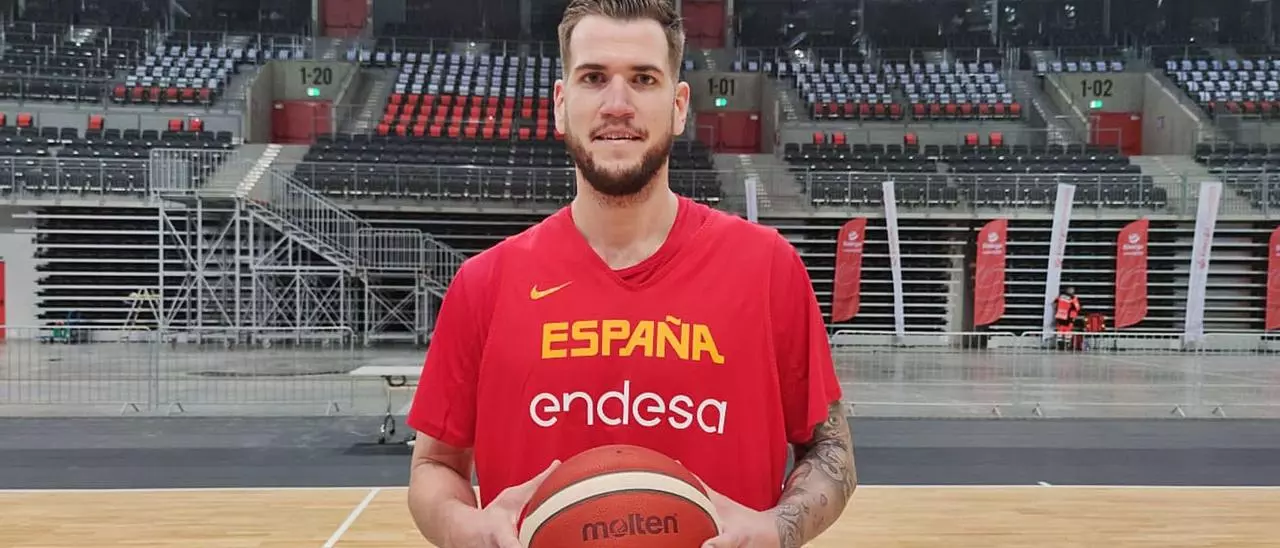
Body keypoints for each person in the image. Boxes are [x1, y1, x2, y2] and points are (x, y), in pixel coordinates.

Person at [404, 1, 857, 546]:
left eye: (643, 79)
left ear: (679, 105)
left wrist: (775, 530)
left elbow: (831, 450)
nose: (617, 105)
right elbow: (434, 465)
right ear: (560, 103)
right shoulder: (485, 283)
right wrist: (469, 529)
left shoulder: (767, 268)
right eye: (594, 78)